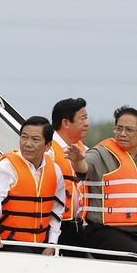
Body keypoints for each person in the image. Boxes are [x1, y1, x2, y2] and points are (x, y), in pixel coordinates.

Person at [66, 106, 137, 260]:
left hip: (134, 235)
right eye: (119, 128)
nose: (122, 134)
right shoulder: (100, 154)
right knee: (134, 257)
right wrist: (77, 160)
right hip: (101, 232)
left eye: (129, 130)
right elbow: (83, 167)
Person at [0, 116, 65, 255]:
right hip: (10, 243)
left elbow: (57, 209)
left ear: (48, 146)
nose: (27, 144)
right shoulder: (6, 167)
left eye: (35, 139)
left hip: (42, 244)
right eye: (24, 137)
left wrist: (52, 243)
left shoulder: (55, 170)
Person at [49, 97, 89, 253]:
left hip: (79, 225)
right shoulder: (48, 150)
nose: (87, 123)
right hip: (55, 225)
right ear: (65, 123)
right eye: (82, 119)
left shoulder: (85, 149)